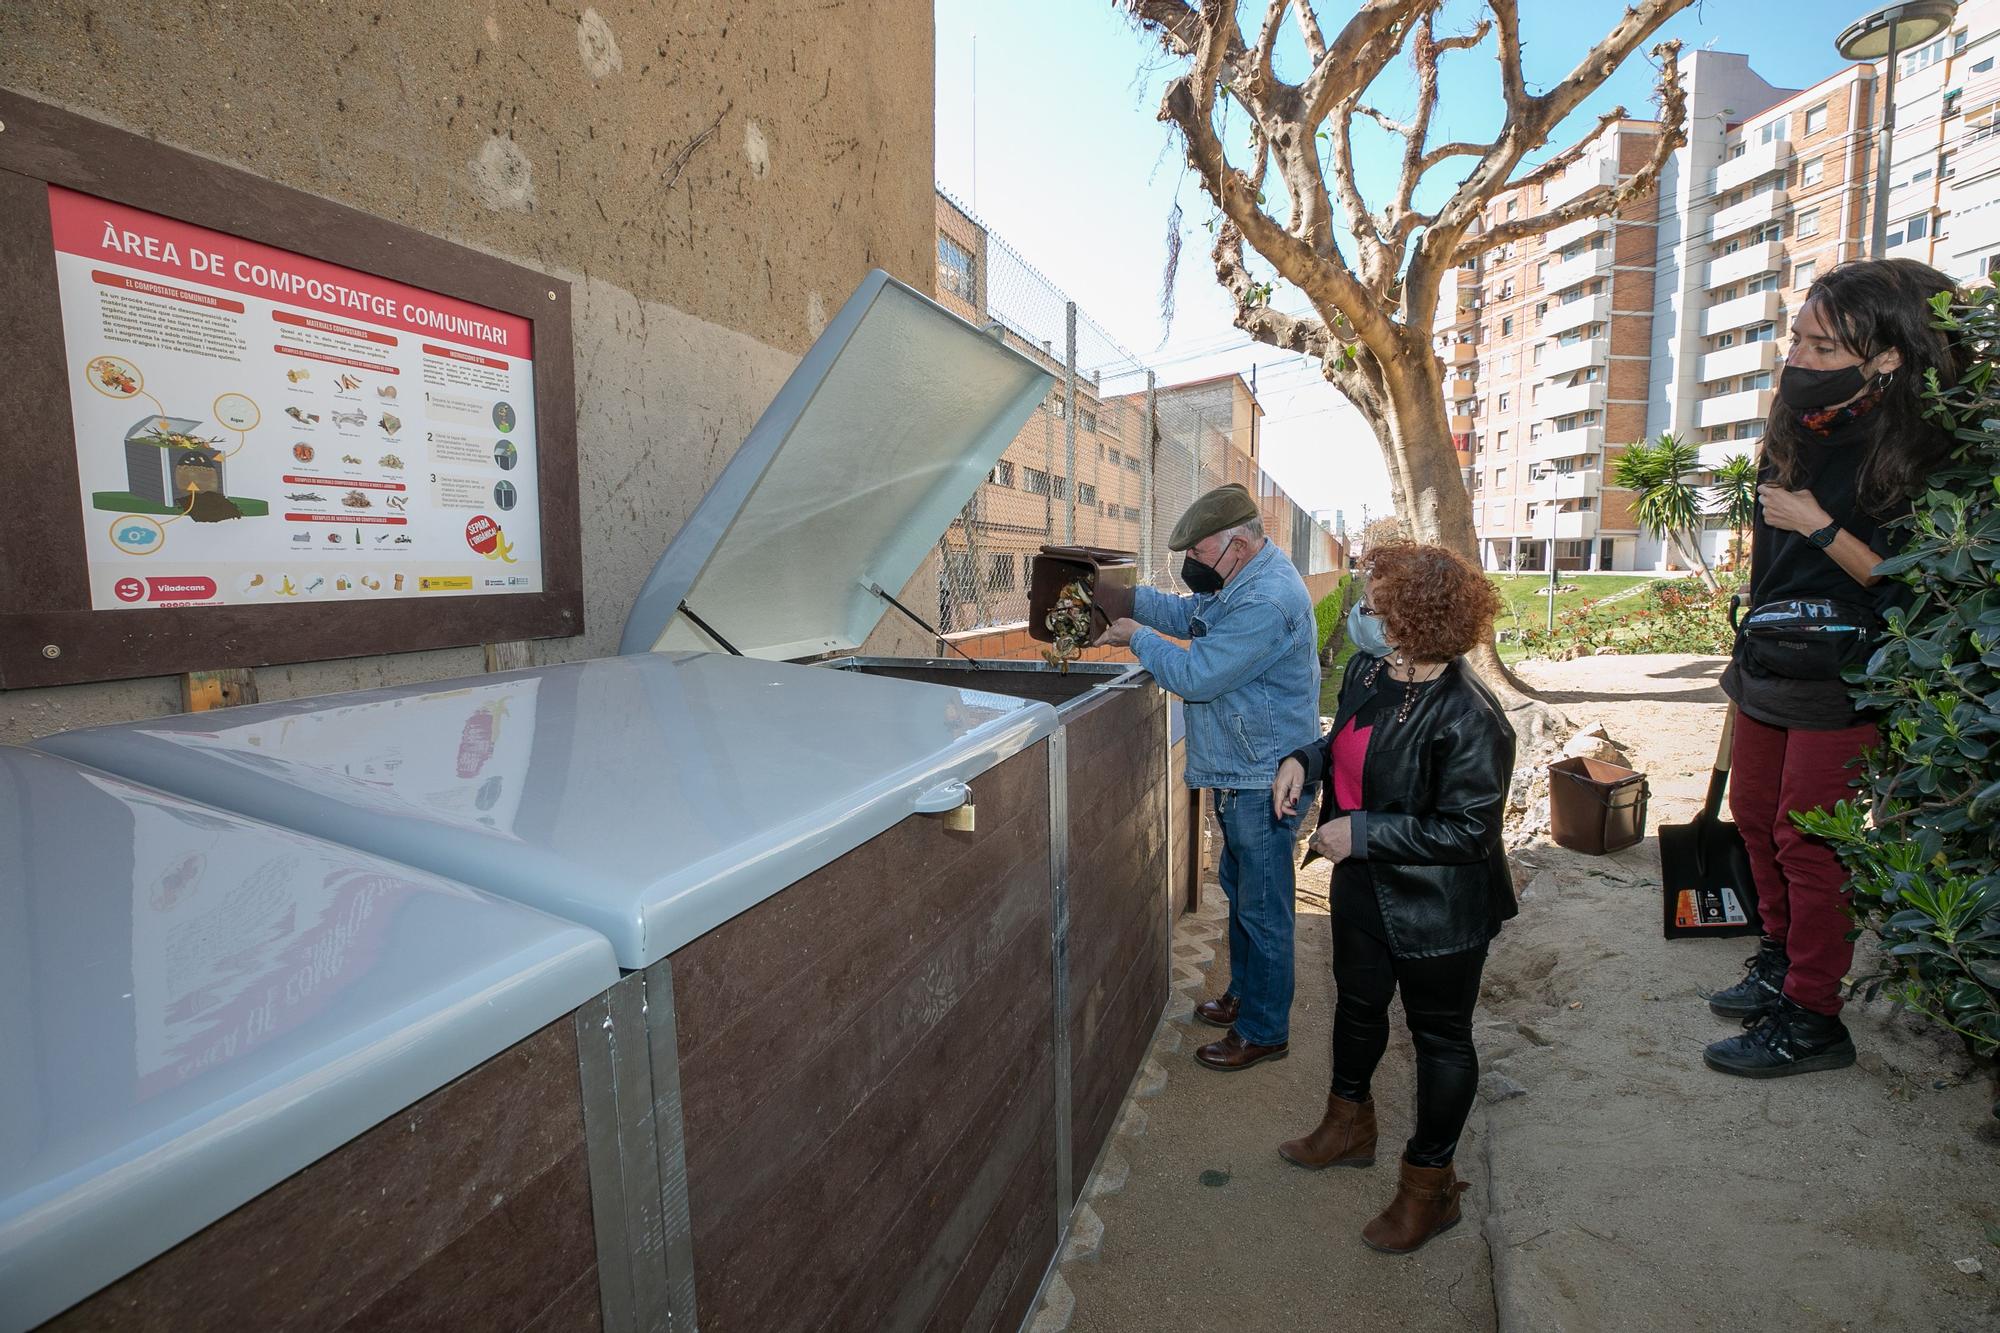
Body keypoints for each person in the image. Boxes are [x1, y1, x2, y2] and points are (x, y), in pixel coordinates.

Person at [1708, 258, 1962, 1078]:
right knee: (1753, 816)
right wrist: (1741, 658)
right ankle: (1782, 962)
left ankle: (1815, 1015)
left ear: (1887, 356)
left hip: (1848, 674)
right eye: (1797, 339)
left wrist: (1818, 526)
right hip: (1772, 657)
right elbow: (1767, 566)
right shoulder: (1796, 422)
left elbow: (1916, 583)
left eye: (1823, 348)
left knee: (1810, 840)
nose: (1799, 360)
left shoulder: (1921, 449)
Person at [1268, 543, 1514, 1255]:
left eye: (1376, 606)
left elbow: (1468, 830)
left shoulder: (1472, 716)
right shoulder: (1371, 671)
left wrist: (1365, 833)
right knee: (1356, 1005)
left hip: (1439, 909)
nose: (1360, 615)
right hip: (1363, 891)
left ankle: (1428, 1188)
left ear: (1419, 618)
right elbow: (1344, 746)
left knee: (1440, 1040)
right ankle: (1348, 1127)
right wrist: (1302, 759)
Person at [1095, 483, 1322, 1071]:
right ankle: (1249, 996)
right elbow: (1186, 614)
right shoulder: (1240, 581)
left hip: (1263, 776)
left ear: (1238, 546)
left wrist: (1135, 638)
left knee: (1264, 908)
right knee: (1244, 895)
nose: (1189, 565)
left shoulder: (1266, 600)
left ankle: (1265, 1029)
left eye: (1198, 553)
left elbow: (1197, 675)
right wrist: (1121, 597)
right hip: (1241, 768)